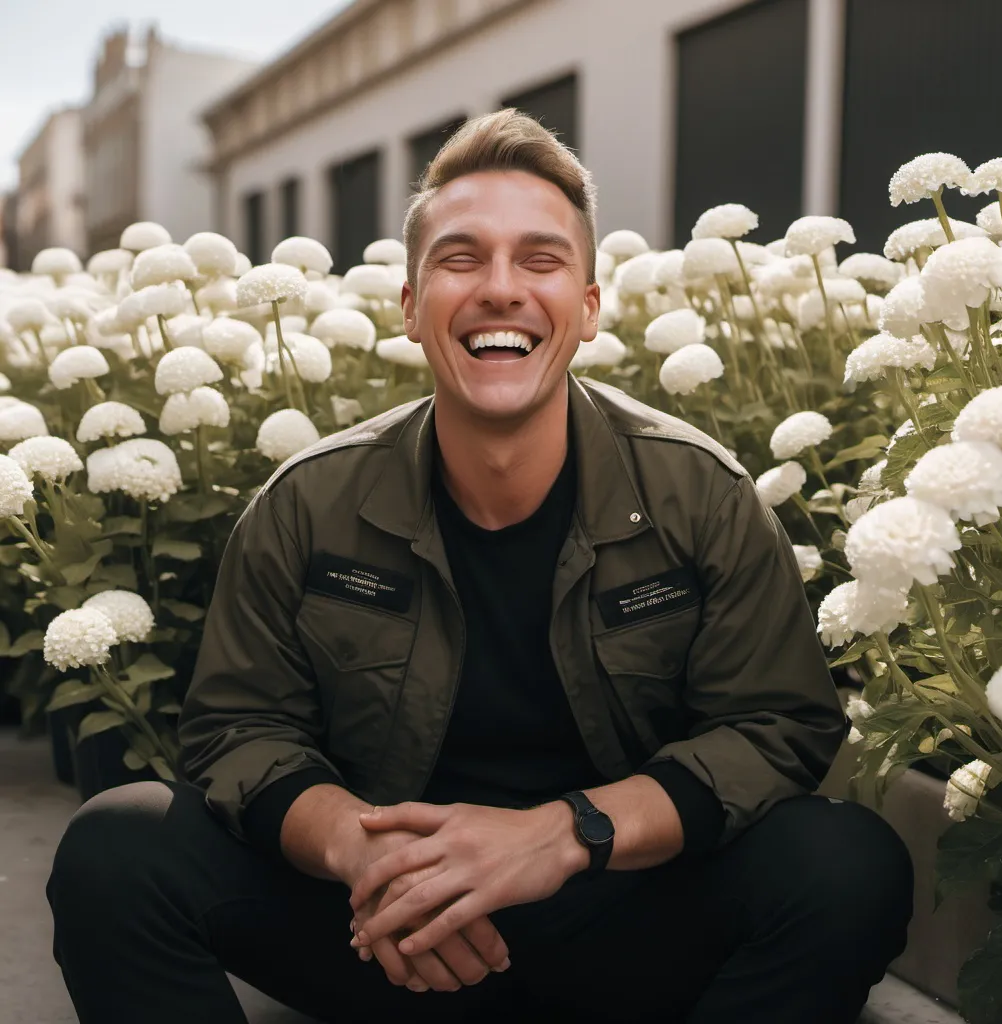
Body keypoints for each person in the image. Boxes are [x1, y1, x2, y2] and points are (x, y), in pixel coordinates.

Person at [47, 109, 913, 1024]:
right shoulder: (305, 504)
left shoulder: (701, 494)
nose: (501, 289)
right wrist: (365, 853)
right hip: (381, 929)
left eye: (540, 260)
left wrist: (565, 834)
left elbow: (775, 727)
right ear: (411, 307)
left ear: (585, 307)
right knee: (119, 847)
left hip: (626, 916)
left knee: (845, 865)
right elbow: (236, 733)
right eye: (461, 259)